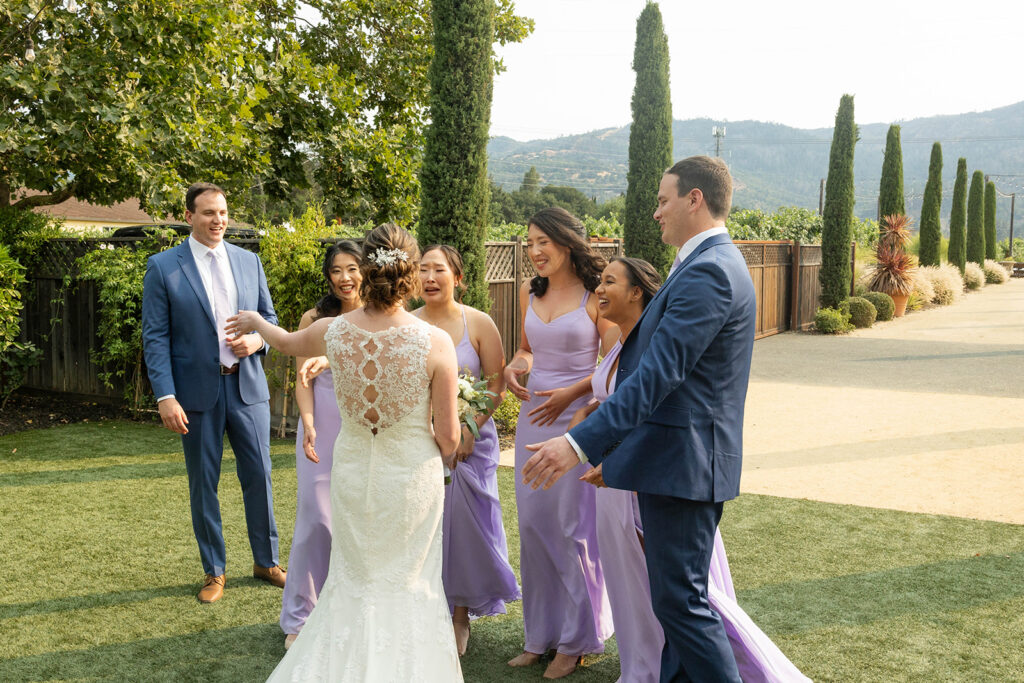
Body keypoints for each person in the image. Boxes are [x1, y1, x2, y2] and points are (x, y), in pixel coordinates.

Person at [523, 156, 757, 682]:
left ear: (694, 199)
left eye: (663, 200)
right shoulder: (700, 264)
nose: (656, 213)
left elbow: (657, 377)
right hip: (669, 462)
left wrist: (578, 444)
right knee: (674, 606)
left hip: (684, 464)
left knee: (682, 604)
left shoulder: (711, 271)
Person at [227, 223, 464, 682]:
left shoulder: (332, 331)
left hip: (354, 474)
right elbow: (450, 438)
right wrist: (442, 453)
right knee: (409, 582)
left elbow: (282, 342)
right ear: (410, 275)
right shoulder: (435, 342)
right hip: (412, 478)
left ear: (368, 270)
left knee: (353, 578)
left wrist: (256, 322)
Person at [574, 258, 810, 683]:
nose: (600, 289)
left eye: (611, 281)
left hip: (660, 471)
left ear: (637, 292)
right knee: (658, 597)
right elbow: (618, 393)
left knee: (680, 602)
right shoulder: (625, 339)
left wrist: (589, 448)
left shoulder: (709, 274)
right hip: (630, 477)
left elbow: (658, 389)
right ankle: (645, 667)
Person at [141, 182, 285, 604]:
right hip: (195, 395)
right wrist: (165, 396)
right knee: (205, 483)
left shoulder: (249, 261)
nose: (218, 220)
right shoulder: (163, 267)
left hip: (248, 388)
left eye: (222, 212)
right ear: (189, 216)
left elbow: (269, 319)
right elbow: (155, 338)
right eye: (208, 213)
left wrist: (257, 343)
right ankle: (215, 571)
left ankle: (267, 561)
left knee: (258, 475)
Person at [504, 207, 615, 679]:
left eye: (541, 242)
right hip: (532, 420)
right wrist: (515, 366)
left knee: (572, 531)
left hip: (576, 422)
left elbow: (614, 364)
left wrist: (572, 394)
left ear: (565, 242)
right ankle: (539, 636)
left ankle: (576, 641)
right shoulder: (532, 290)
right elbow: (528, 349)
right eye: (529, 243)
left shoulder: (597, 295)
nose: (533, 252)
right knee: (532, 527)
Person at [414, 245, 521, 657]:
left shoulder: (478, 322)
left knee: (463, 529)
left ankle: (459, 615)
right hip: (420, 442)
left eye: (438, 269)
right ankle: (424, 611)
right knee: (425, 527)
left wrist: (469, 424)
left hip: (472, 445)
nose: (429, 277)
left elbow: (495, 384)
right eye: (422, 269)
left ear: (457, 277)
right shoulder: (408, 324)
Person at [279, 240, 362, 650]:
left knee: (357, 524)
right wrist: (308, 424)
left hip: (363, 431)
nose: (345, 278)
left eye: (353, 268)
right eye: (336, 271)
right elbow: (302, 379)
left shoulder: (377, 317)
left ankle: (347, 613)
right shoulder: (313, 318)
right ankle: (299, 616)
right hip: (319, 430)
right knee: (316, 521)